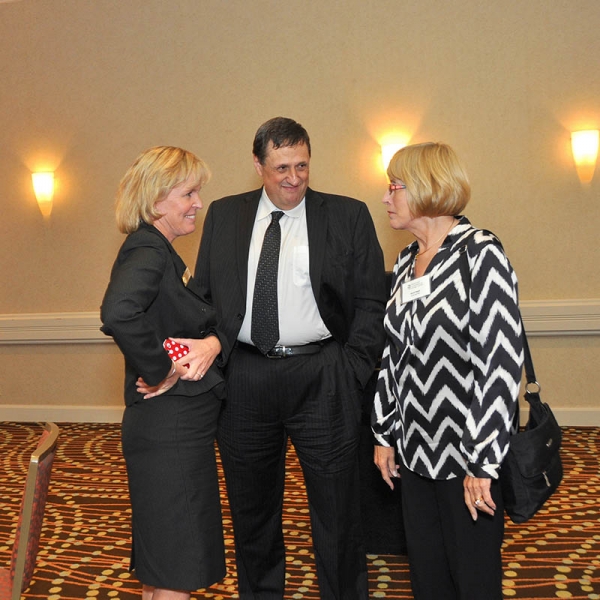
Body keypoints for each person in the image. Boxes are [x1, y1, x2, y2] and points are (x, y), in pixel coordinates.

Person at [193, 117, 387, 599]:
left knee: (338, 513)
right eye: (281, 167)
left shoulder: (347, 215)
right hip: (245, 378)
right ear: (258, 164)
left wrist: (352, 370)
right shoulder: (224, 215)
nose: (293, 178)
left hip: (323, 376)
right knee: (252, 512)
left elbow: (371, 301)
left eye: (302, 165)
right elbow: (204, 299)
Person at [372, 142, 523, 600]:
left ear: (426, 188)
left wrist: (482, 459)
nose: (386, 197)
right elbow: (393, 354)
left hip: (466, 456)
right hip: (415, 452)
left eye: (394, 187)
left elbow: (500, 362)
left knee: (473, 579)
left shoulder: (480, 253)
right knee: (428, 577)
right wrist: (384, 432)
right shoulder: (405, 261)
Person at [100, 146, 226, 600]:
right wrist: (162, 369)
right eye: (188, 193)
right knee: (177, 566)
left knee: (165, 562)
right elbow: (119, 312)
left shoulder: (156, 249)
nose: (198, 203)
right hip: (171, 430)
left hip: (165, 430)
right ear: (156, 200)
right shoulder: (149, 248)